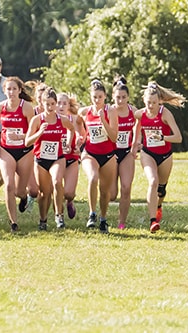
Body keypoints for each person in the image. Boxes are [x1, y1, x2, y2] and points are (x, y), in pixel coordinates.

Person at [133, 82, 185, 233]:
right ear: (144, 101)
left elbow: (178, 138)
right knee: (153, 182)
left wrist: (162, 137)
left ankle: (159, 205)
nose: (151, 106)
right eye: (148, 102)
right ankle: (152, 221)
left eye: (154, 103)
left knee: (161, 189)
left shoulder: (165, 113)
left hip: (165, 155)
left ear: (159, 101)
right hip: (148, 153)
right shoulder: (140, 114)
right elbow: (137, 125)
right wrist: (135, 143)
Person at [26, 88, 75, 230]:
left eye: (53, 104)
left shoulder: (62, 119)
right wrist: (39, 133)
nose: (50, 107)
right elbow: (27, 142)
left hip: (57, 158)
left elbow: (71, 129)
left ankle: (59, 215)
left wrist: (67, 144)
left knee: (57, 181)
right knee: (44, 192)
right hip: (41, 159)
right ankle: (43, 220)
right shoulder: (37, 120)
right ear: (42, 103)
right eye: (47, 104)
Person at [0, 76, 35, 232]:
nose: (11, 92)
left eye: (14, 89)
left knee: (19, 191)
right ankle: (13, 222)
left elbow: (33, 130)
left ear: (19, 90)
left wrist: (20, 137)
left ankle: (23, 198)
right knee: (9, 185)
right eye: (8, 89)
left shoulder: (27, 108)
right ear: (4, 91)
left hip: (25, 150)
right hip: (6, 149)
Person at [78, 79, 118, 234]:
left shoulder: (111, 111)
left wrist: (103, 121)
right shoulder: (85, 112)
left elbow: (114, 137)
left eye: (100, 97)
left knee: (105, 190)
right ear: (90, 97)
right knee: (93, 178)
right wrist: (79, 136)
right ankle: (92, 214)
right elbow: (77, 123)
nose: (97, 100)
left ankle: (103, 218)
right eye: (94, 97)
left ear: (105, 97)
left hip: (108, 154)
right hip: (90, 152)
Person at [109, 77, 138, 229]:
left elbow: (140, 124)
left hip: (126, 153)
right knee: (112, 194)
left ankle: (122, 222)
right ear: (113, 97)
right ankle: (101, 216)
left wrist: (135, 145)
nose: (121, 101)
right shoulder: (108, 111)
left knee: (126, 188)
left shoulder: (132, 111)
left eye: (124, 97)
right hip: (110, 153)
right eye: (118, 97)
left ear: (128, 97)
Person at [56, 92, 85, 221]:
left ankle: (69, 202)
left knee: (68, 193)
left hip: (71, 158)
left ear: (69, 106)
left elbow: (81, 133)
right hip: (55, 159)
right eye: (58, 103)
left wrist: (79, 141)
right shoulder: (49, 118)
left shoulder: (74, 118)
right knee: (57, 187)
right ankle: (59, 215)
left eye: (64, 103)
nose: (61, 106)